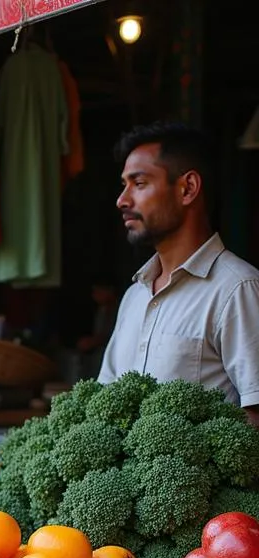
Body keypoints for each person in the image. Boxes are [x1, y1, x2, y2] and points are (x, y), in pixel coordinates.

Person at [98, 122, 259, 420]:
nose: (123, 200)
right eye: (124, 185)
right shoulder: (135, 297)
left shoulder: (238, 289)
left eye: (139, 183)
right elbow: (103, 403)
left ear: (188, 189)